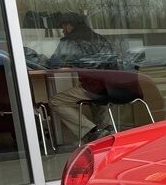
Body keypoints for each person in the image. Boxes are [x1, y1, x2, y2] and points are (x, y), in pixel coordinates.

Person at [46, 12, 118, 144]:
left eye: (63, 26)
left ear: (70, 25)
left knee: (55, 101)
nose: (63, 30)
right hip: (113, 87)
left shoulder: (69, 41)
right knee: (97, 98)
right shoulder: (100, 38)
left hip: (93, 88)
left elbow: (53, 63)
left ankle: (91, 132)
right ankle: (107, 129)